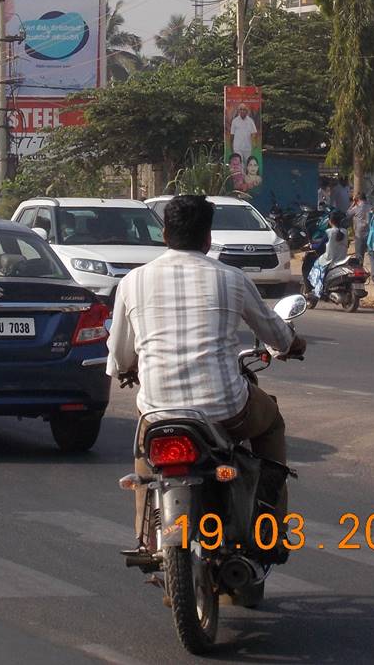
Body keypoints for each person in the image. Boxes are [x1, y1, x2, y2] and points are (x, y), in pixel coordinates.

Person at [107, 195, 305, 553]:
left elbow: (120, 353)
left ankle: (146, 537)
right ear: (208, 238)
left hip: (159, 410)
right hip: (226, 408)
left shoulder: (132, 282)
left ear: (165, 234)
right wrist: (292, 345)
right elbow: (274, 332)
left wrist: (126, 369)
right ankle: (270, 525)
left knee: (145, 450)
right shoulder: (231, 278)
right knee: (272, 421)